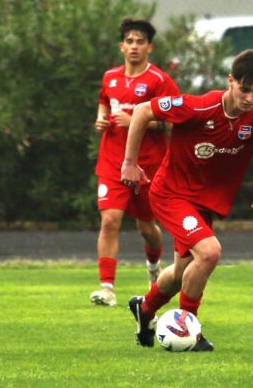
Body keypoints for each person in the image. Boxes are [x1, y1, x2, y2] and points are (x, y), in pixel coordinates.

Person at [121, 49, 253, 350]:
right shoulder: (199, 107)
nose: (250, 97)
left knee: (179, 275)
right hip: (170, 194)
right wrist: (130, 162)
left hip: (202, 205)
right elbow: (143, 110)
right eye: (244, 88)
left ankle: (145, 308)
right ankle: (188, 328)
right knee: (210, 252)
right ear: (230, 81)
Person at [90, 18, 180, 307]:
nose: (134, 46)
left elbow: (173, 119)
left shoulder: (159, 81)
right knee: (110, 220)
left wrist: (138, 122)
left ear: (149, 48)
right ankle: (107, 288)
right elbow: (105, 100)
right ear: (121, 46)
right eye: (129, 41)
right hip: (111, 162)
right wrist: (101, 117)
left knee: (146, 228)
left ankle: (154, 269)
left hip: (148, 165)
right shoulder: (110, 78)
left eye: (140, 42)